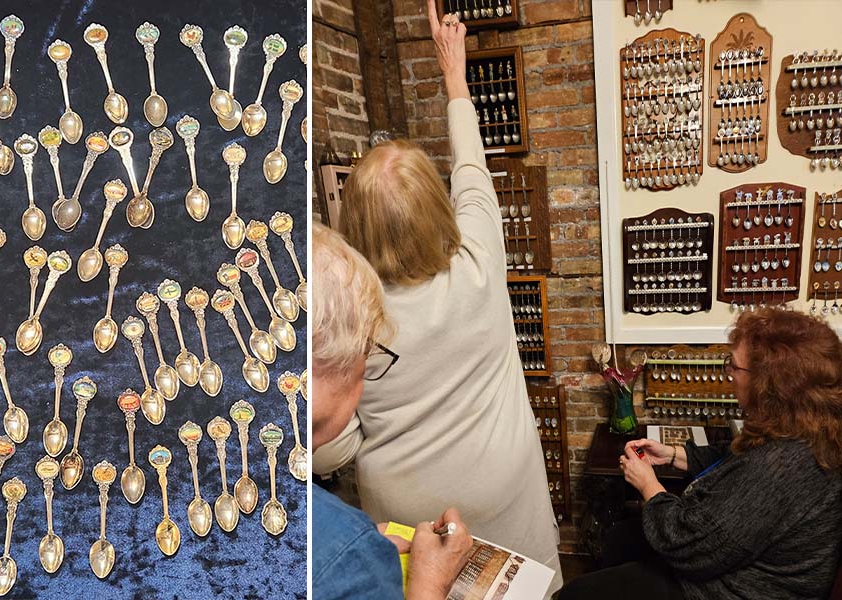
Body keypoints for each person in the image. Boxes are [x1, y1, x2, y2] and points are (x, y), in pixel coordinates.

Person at [313, 1, 563, 594]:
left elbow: (329, 449)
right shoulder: (479, 257)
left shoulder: (345, 317)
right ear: (438, 207)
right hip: (506, 488)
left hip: (410, 512)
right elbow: (472, 166)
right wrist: (454, 72)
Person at [561, 308, 842, 600]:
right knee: (621, 538)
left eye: (734, 366)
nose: (729, 374)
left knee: (578, 594)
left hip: (735, 588)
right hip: (732, 559)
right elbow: (735, 457)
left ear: (769, 384)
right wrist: (672, 455)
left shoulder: (782, 466)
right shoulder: (804, 426)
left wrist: (648, 485)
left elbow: (687, 543)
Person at [312, 222, 474, 599]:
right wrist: (431, 580)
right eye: (366, 354)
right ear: (328, 363)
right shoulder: (344, 558)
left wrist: (355, 537)